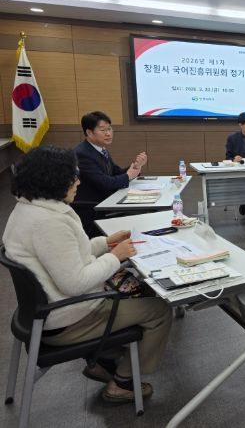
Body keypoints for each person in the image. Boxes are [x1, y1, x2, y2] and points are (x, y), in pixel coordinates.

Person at [3, 146, 172, 403]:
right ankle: (122, 382)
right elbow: (76, 282)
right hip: (68, 319)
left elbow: (69, 253)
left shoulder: (29, 209)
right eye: (74, 176)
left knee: (134, 285)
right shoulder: (49, 223)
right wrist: (115, 257)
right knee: (159, 309)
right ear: (54, 180)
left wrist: (106, 243)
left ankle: (103, 359)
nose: (78, 182)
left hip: (41, 312)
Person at [73, 111, 148, 237]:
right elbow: (105, 183)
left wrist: (136, 166)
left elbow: (115, 172)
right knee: (143, 212)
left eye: (109, 129)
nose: (108, 133)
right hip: (94, 208)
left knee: (146, 207)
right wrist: (129, 175)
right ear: (89, 133)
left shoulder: (100, 149)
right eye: (103, 130)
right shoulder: (82, 153)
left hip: (108, 200)